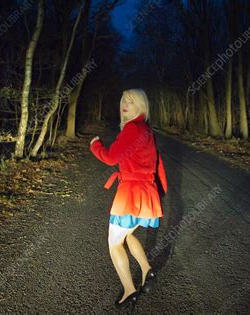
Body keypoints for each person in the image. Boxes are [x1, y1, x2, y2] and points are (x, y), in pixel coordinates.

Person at [89, 88, 167, 309]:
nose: (125, 104)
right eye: (124, 100)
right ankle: (146, 270)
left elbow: (111, 156)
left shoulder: (133, 128)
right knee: (127, 235)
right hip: (145, 192)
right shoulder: (145, 129)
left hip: (132, 192)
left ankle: (130, 290)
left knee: (114, 244)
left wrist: (95, 146)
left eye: (131, 102)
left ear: (141, 106)